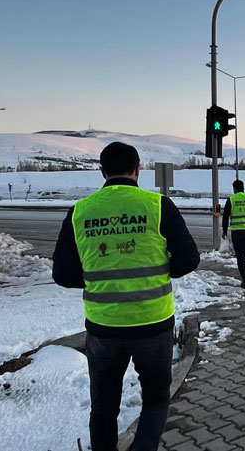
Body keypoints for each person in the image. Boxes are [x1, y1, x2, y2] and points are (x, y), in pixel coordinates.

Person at [52, 142, 200, 451]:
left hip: (103, 327)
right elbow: (189, 259)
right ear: (138, 170)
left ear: (102, 172)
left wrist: (98, 277)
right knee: (157, 398)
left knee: (104, 407)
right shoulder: (159, 206)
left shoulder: (80, 211)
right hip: (153, 322)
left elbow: (63, 275)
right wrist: (160, 271)